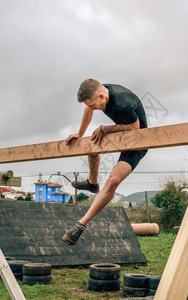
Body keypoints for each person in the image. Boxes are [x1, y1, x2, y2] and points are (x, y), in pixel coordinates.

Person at [62, 78, 148, 245]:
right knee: (92, 141)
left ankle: (81, 224)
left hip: (138, 141)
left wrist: (105, 128)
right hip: (122, 136)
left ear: (101, 96)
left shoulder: (122, 103)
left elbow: (134, 128)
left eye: (94, 105)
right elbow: (88, 109)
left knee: (113, 181)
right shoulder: (101, 94)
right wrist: (80, 134)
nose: (93, 109)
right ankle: (92, 183)